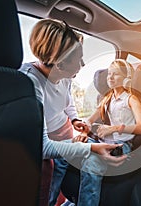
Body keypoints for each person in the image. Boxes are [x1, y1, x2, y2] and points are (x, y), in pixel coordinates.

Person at [18, 18, 126, 206]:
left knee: (63, 178)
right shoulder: (31, 83)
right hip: (48, 145)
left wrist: (75, 119)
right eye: (79, 60)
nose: (83, 64)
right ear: (59, 64)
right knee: (48, 193)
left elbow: (67, 102)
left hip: (65, 135)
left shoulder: (65, 76)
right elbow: (43, 148)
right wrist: (92, 147)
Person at [72, 59, 141, 206]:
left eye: (116, 74)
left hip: (121, 146)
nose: (110, 77)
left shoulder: (131, 99)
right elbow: (90, 120)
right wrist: (84, 130)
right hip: (104, 142)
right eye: (109, 74)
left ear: (126, 79)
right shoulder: (107, 99)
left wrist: (113, 128)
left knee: (91, 163)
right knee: (67, 148)